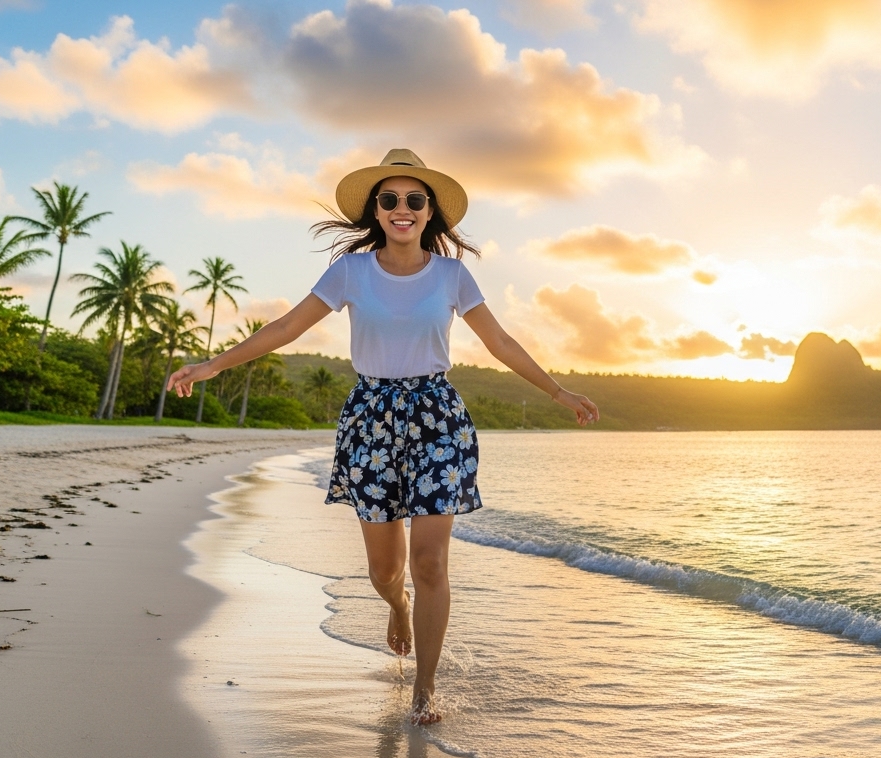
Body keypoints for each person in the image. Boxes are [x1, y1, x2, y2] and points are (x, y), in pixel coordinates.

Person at [167, 149, 600, 725]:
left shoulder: (451, 275)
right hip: (370, 417)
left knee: (430, 563)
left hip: (438, 418)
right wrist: (213, 365)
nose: (402, 208)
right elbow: (287, 326)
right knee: (384, 571)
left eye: (413, 200)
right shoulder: (351, 270)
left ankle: (425, 689)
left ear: (429, 213)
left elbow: (500, 342)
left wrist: (558, 392)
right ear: (377, 210)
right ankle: (396, 608)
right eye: (390, 199)